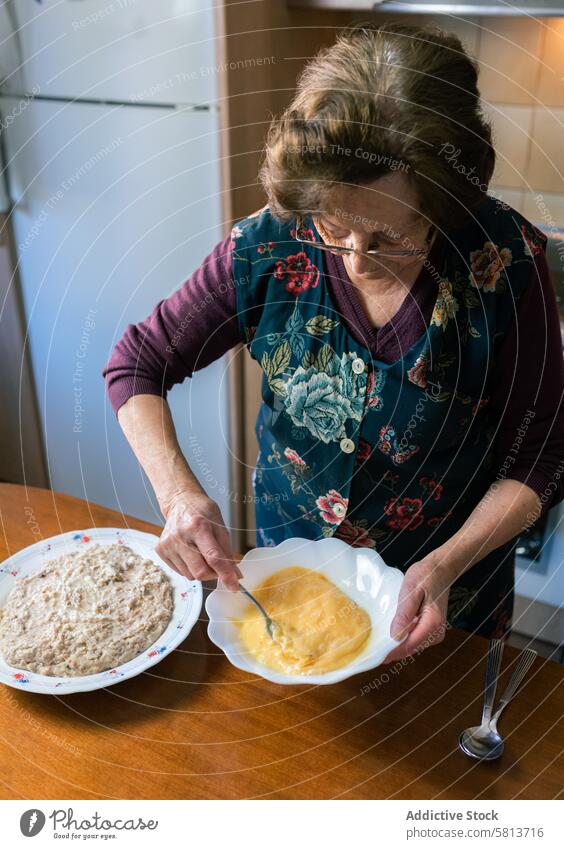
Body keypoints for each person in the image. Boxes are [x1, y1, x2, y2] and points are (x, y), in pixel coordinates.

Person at [103, 22, 564, 661]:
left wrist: (449, 563)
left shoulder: (504, 263)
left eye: (390, 238)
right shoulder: (267, 246)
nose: (355, 261)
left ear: (447, 205)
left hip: (445, 595)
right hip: (284, 580)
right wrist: (179, 495)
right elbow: (138, 363)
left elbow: (541, 449)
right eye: (331, 226)